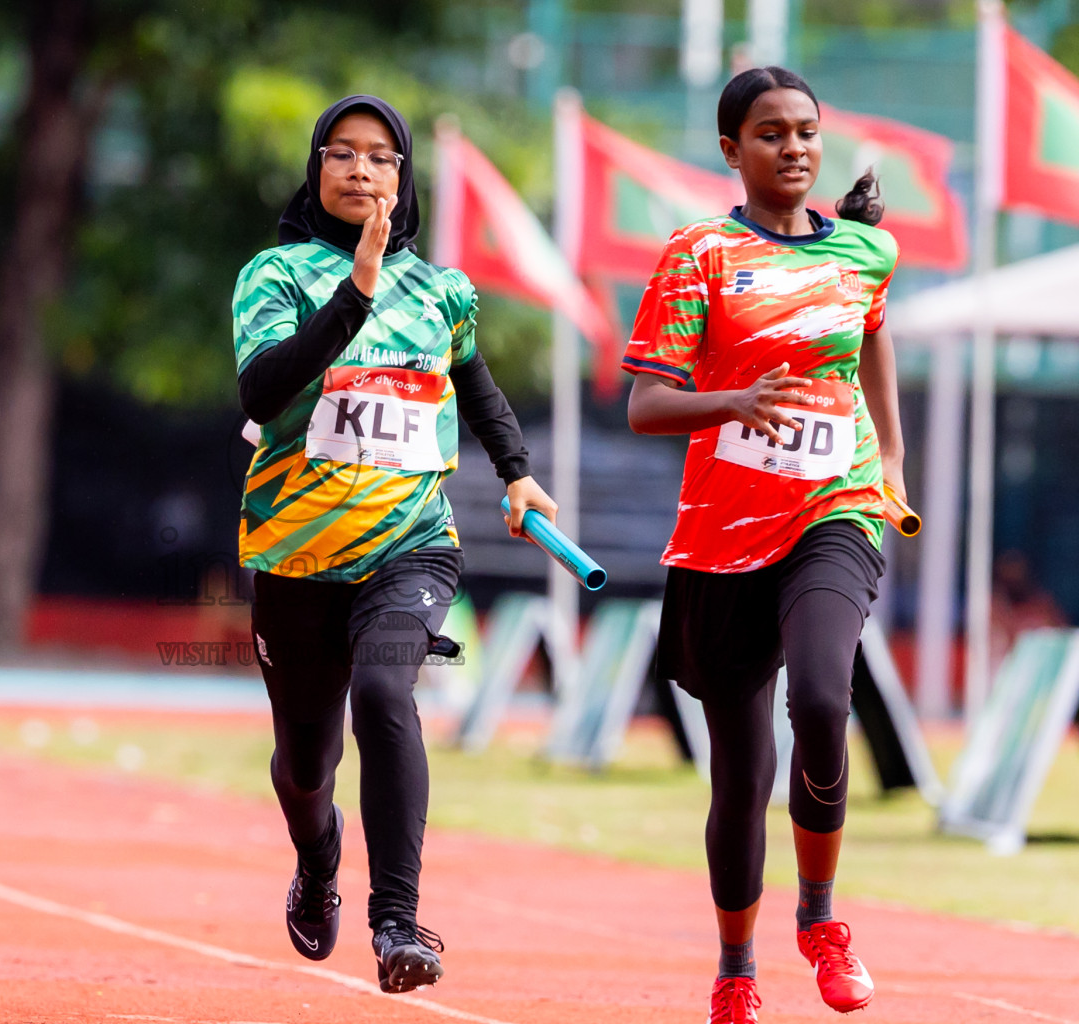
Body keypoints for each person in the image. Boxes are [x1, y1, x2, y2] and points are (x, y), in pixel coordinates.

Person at [232, 94, 557, 992]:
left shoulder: (443, 290)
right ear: (317, 168)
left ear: (401, 177)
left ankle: (398, 924)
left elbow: (477, 387)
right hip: (295, 553)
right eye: (343, 153)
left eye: (381, 157)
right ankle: (318, 857)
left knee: (384, 693)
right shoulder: (275, 275)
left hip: (409, 544)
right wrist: (356, 292)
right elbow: (263, 392)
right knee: (306, 767)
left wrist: (518, 472)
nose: (362, 170)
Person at [622, 67, 906, 1023]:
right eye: (771, 133)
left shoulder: (865, 251)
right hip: (722, 538)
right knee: (740, 778)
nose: (793, 148)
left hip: (837, 509)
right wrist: (732, 402)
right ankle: (735, 970)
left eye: (807, 133)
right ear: (731, 150)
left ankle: (822, 921)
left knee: (825, 699)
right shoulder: (699, 254)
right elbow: (646, 403)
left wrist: (892, 458)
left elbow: (870, 340)